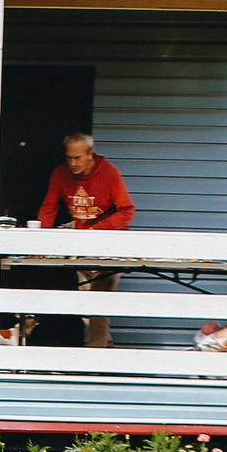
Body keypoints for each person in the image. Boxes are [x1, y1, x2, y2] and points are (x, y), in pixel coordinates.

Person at [36, 132, 136, 348]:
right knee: (85, 307)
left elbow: (127, 211)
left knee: (99, 301)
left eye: (78, 158)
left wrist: (96, 230)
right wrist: (39, 240)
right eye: (69, 157)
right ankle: (104, 351)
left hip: (109, 245)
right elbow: (49, 207)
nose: (73, 163)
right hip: (80, 244)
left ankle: (95, 355)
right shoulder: (60, 173)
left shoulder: (109, 173)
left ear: (91, 154)